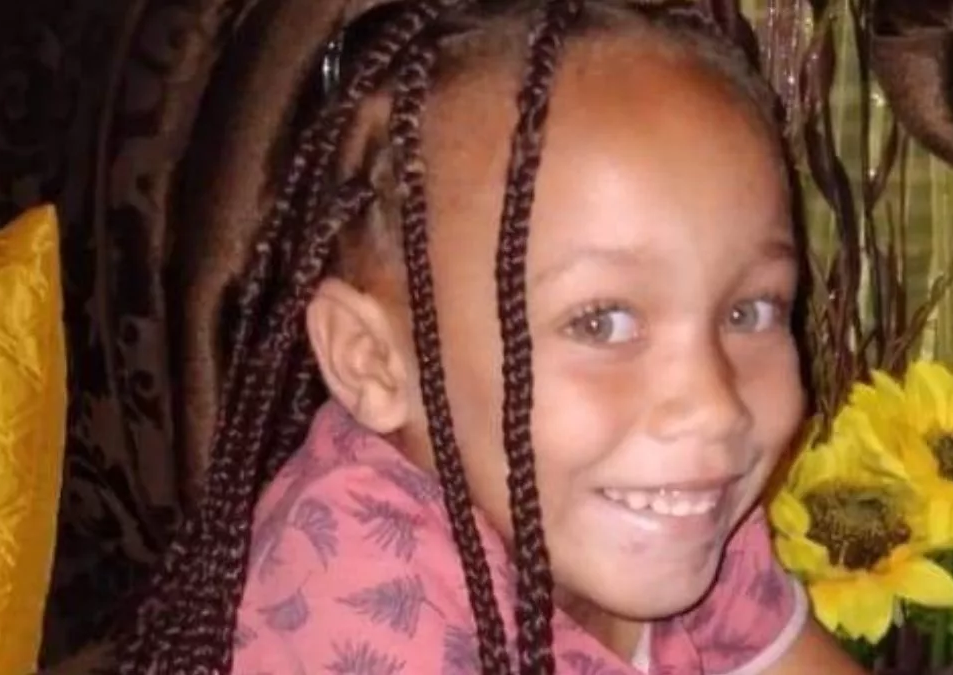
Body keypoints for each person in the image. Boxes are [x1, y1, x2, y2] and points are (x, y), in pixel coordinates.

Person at [118, 0, 867, 673]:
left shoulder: (679, 505)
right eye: (601, 321)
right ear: (373, 362)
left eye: (751, 312)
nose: (714, 406)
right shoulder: (358, 594)